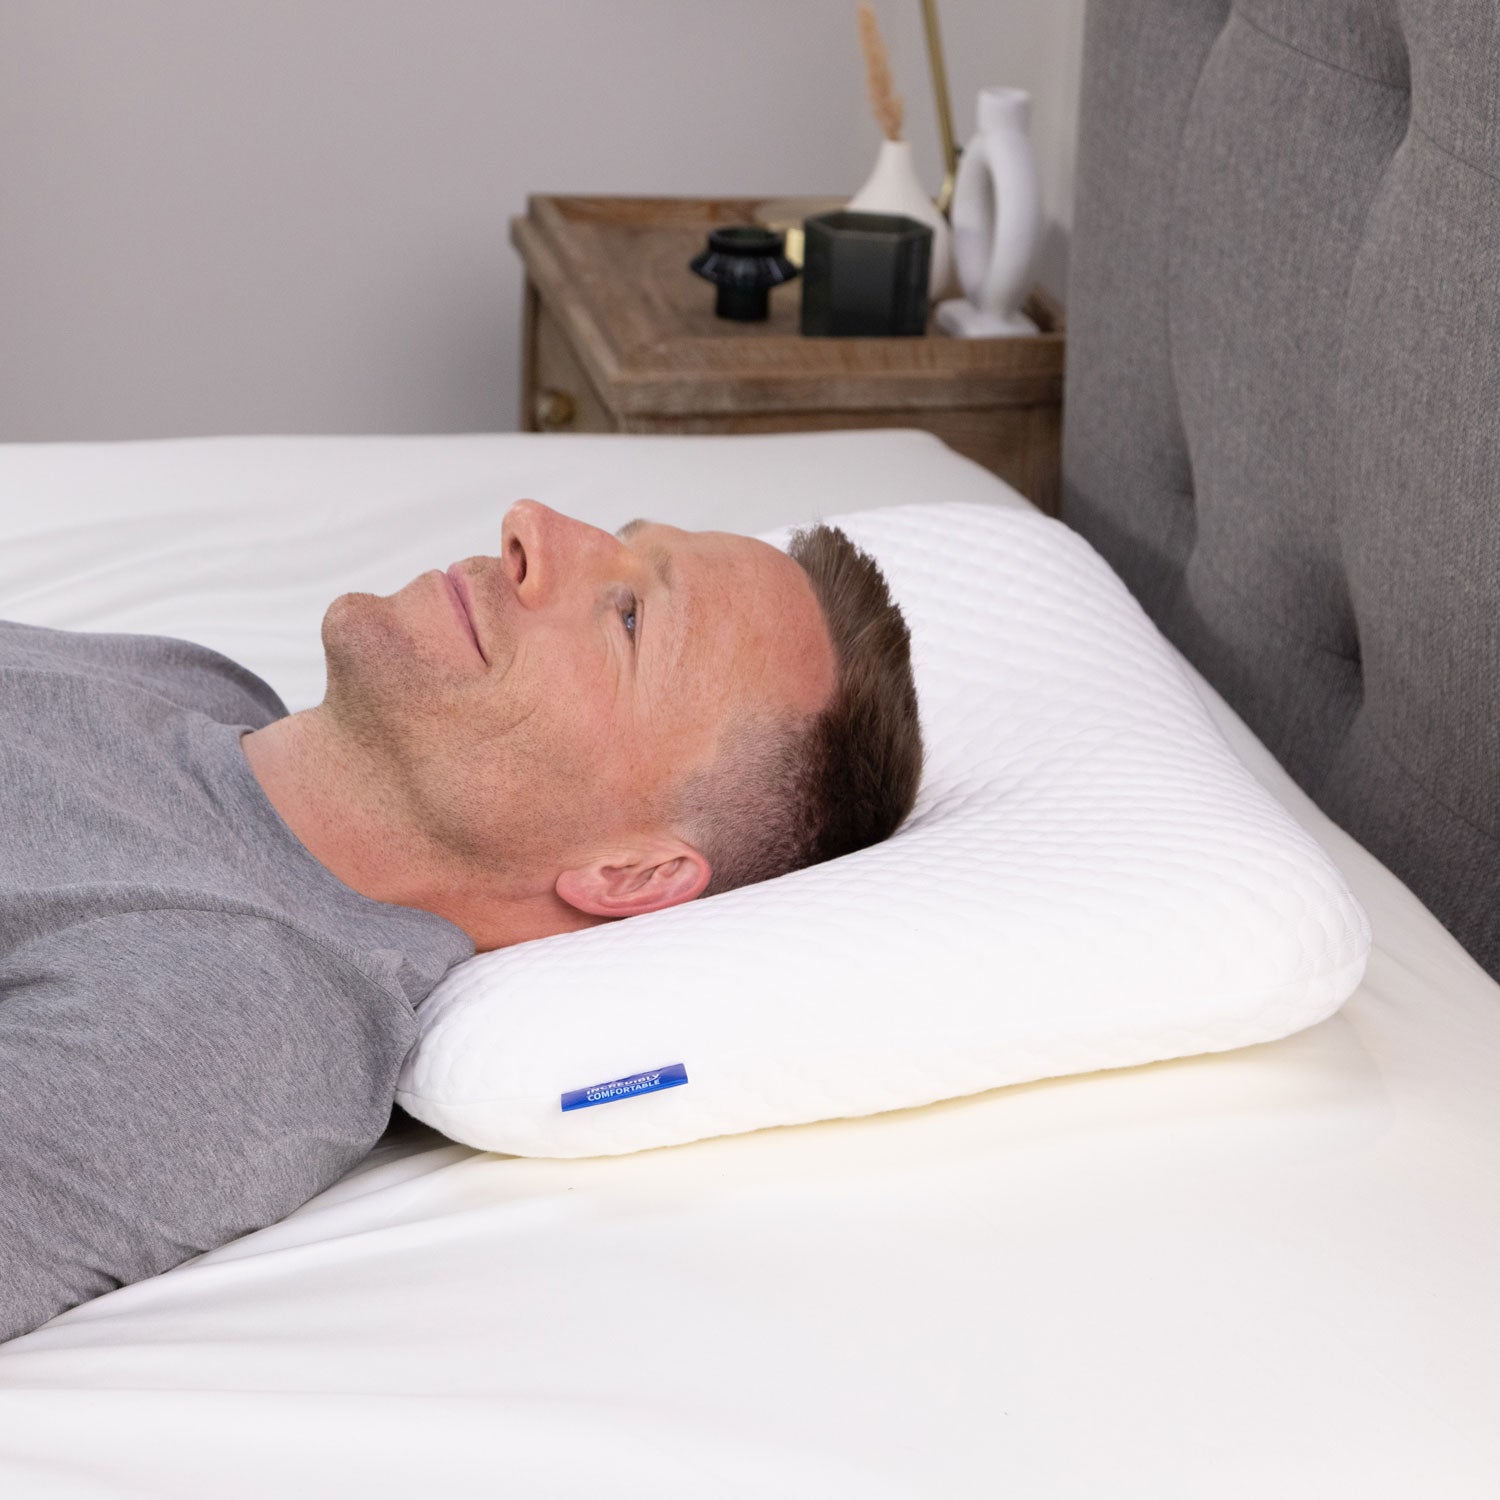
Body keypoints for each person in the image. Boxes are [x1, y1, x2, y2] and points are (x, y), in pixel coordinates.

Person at [0, 500, 922, 1342]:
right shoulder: (207, 691)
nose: (530, 525)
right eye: (616, 538)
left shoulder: (228, 1009)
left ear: (632, 874)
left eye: (629, 616)